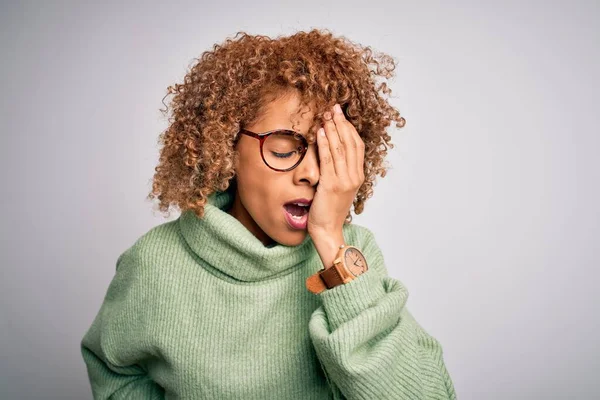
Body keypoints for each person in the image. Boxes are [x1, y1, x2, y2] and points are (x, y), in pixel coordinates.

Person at [80, 28, 457, 399]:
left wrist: (329, 238)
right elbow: (115, 370)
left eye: (327, 153)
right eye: (283, 150)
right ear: (225, 148)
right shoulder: (155, 263)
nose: (311, 173)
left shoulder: (352, 254)